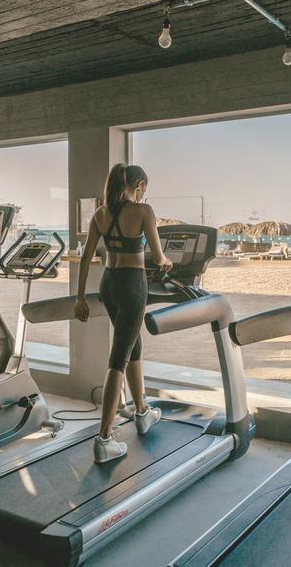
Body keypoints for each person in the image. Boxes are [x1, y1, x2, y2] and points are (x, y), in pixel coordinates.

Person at [74, 163, 173, 463]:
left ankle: (142, 412)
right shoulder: (143, 211)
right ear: (139, 185)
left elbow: (86, 257)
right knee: (118, 358)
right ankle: (104, 438)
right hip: (132, 287)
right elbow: (157, 256)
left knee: (133, 345)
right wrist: (167, 262)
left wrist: (80, 298)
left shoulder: (101, 214)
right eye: (145, 188)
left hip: (108, 285)